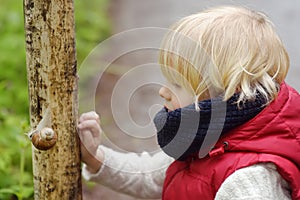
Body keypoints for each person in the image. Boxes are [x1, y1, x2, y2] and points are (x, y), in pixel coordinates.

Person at [78, 6, 300, 200]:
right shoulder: (205, 138)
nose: (163, 91)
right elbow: (150, 177)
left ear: (227, 92)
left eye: (177, 84)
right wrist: (96, 157)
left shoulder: (249, 181)